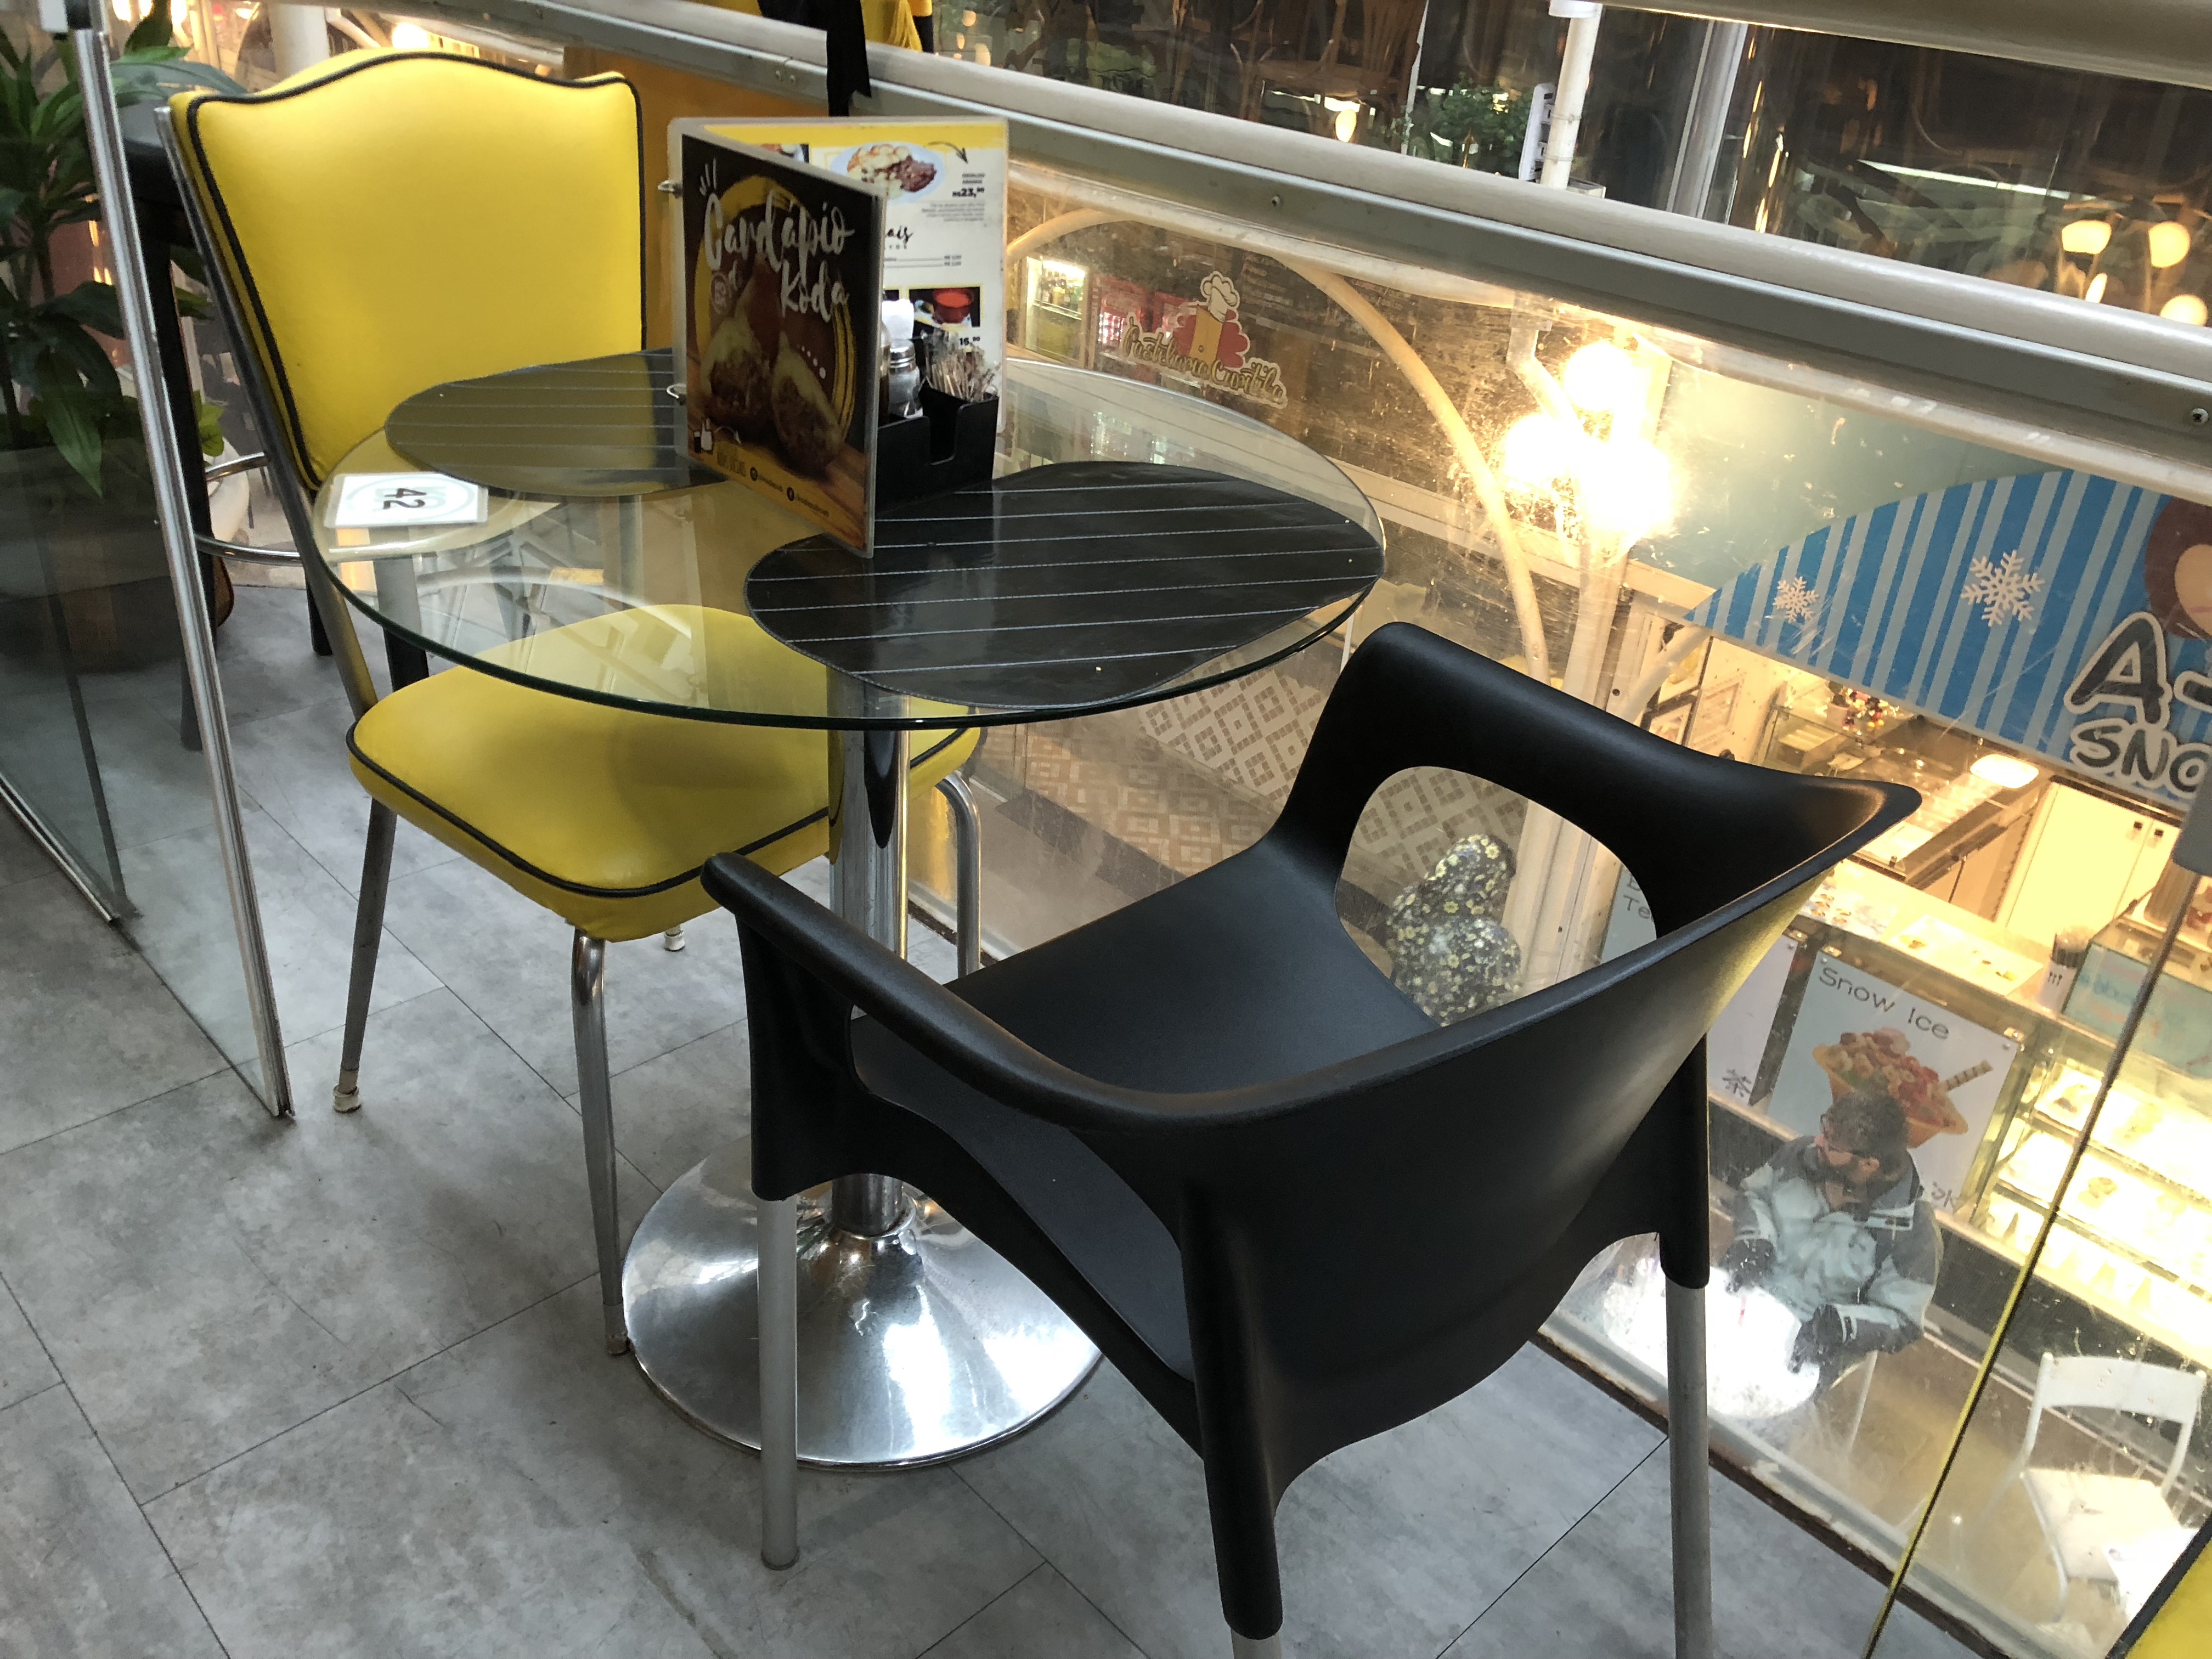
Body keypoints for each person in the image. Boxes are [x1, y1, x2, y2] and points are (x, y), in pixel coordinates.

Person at [1720, 1086, 1941, 1375]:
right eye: (1825, 1131)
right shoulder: (1801, 1156)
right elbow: (1755, 1194)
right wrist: (1754, 1239)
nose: (1818, 1142)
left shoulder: (1914, 1231)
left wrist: (1840, 1326)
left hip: (1807, 1348)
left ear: (1868, 1164)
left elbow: (1902, 1318)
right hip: (1743, 1296)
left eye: (1833, 1146)